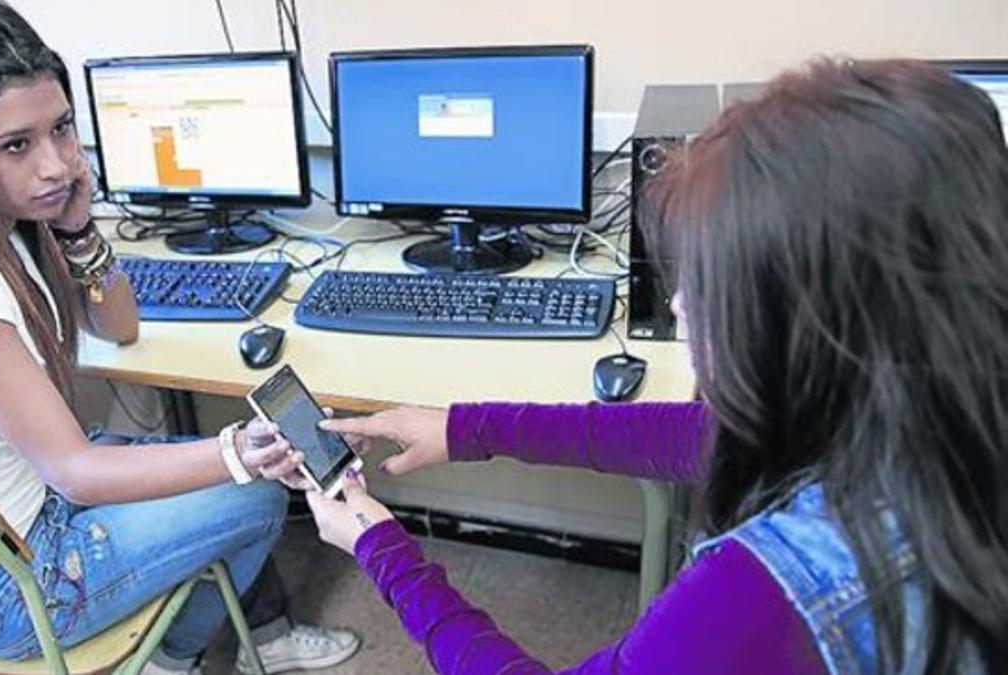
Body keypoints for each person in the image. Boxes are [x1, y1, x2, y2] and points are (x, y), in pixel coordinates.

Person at [308, 59, 1008, 674]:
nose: (677, 301)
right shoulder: (939, 413)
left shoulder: (758, 597)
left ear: (813, 319)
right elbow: (699, 434)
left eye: (708, 281)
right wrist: (465, 428)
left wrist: (381, 547)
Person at [0, 1, 358, 673]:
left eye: (61, 128)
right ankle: (171, 658)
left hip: (29, 506)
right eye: (17, 144)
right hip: (5, 582)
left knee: (201, 465)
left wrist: (78, 230)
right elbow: (76, 470)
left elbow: (120, 326)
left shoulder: (0, 221)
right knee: (258, 491)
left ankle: (255, 631)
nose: (57, 165)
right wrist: (239, 451)